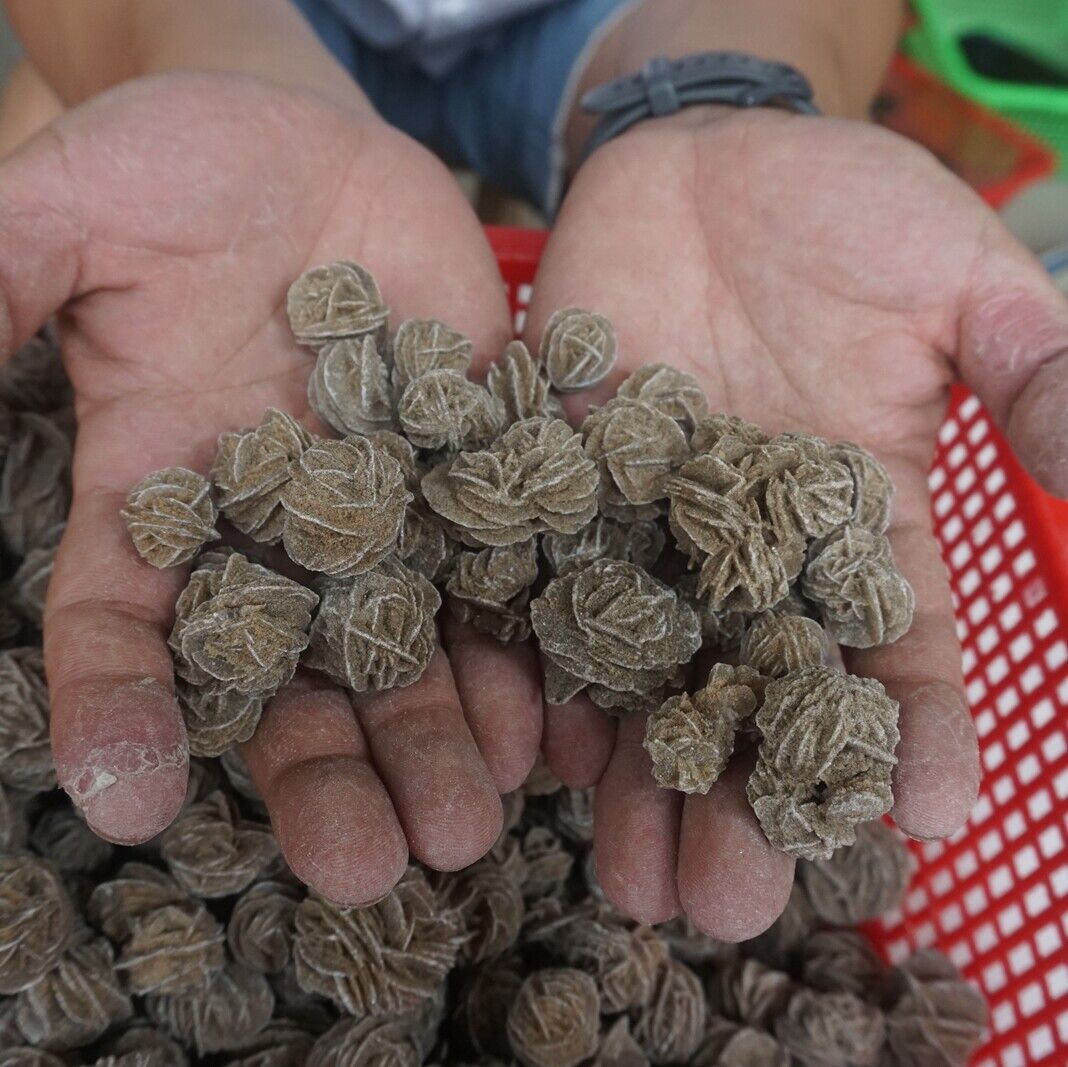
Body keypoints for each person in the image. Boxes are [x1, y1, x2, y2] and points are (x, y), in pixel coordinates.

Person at [1, 0, 1064, 941]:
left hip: (626, 26)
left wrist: (724, 93)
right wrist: (198, 49)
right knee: (43, 112)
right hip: (216, 27)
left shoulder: (648, 526)